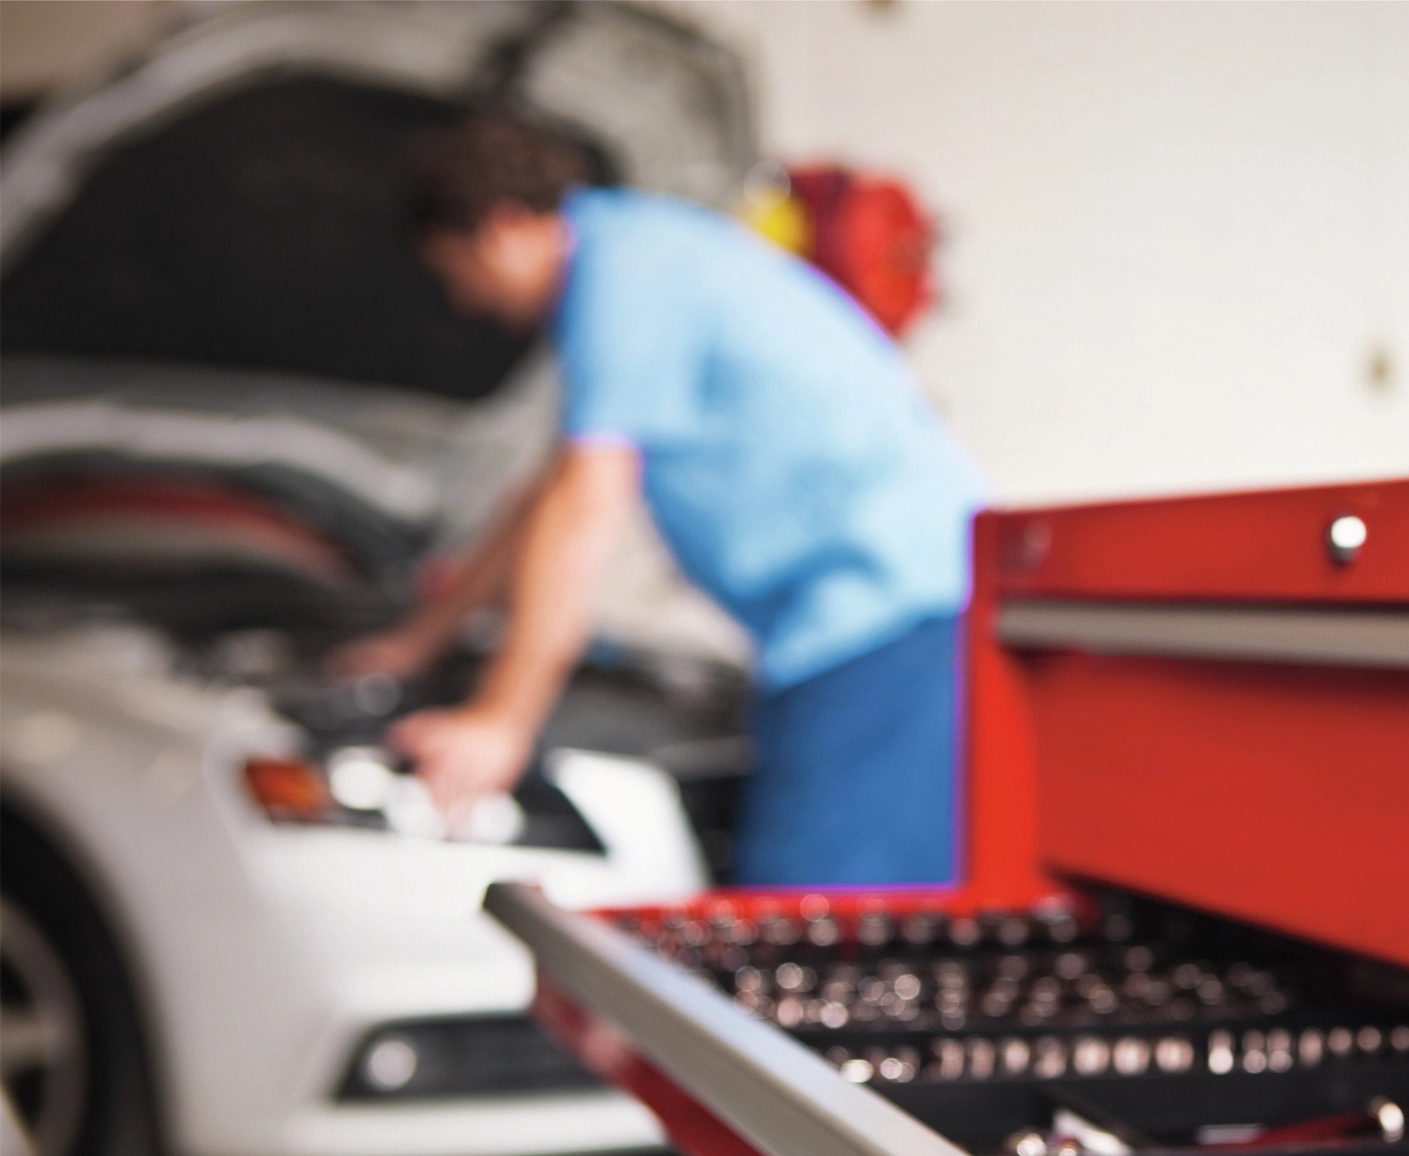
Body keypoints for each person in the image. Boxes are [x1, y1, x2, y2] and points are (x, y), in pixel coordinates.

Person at [335, 115, 983, 890]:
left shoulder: (621, 275)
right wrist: (419, 640)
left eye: (456, 272)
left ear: (502, 228)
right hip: (895, 614)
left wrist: (499, 721)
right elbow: (547, 497)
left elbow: (584, 507)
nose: (467, 302)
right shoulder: (640, 251)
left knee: (811, 921)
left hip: (892, 620)